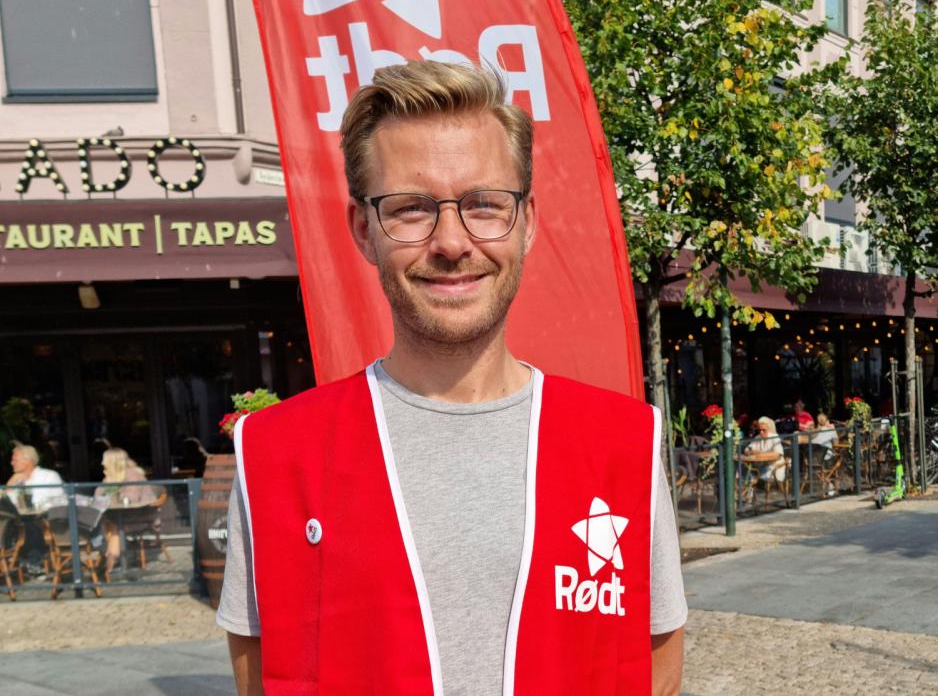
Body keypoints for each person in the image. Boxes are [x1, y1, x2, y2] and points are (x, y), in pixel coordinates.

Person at [216, 61, 686, 695]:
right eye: (410, 209)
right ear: (364, 229)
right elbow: (258, 676)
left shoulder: (623, 444)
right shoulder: (275, 456)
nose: (451, 241)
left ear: (526, 221)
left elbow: (655, 664)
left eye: (484, 204)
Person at [94, 447, 156, 572]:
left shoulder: (133, 475)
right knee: (108, 524)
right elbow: (98, 496)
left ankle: (112, 561)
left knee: (113, 526)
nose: (102, 463)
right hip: (120, 517)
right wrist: (109, 482)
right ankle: (112, 560)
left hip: (140, 516)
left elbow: (130, 498)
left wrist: (111, 491)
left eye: (104, 460)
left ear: (114, 462)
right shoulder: (111, 475)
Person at [4, 444, 64, 511]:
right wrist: (10, 483)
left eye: (15, 460)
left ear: (28, 461)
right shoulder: (16, 480)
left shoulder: (49, 476)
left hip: (45, 518)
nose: (12, 463)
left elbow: (59, 503)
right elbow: (5, 506)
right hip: (20, 519)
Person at [742, 417, 786, 484]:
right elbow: (747, 449)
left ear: (769, 429)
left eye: (764, 430)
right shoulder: (758, 437)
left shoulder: (774, 437)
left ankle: (749, 489)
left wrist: (760, 454)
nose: (761, 432)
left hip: (772, 469)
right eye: (759, 430)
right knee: (743, 469)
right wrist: (751, 451)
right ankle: (748, 490)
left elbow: (778, 454)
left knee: (750, 474)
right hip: (760, 466)